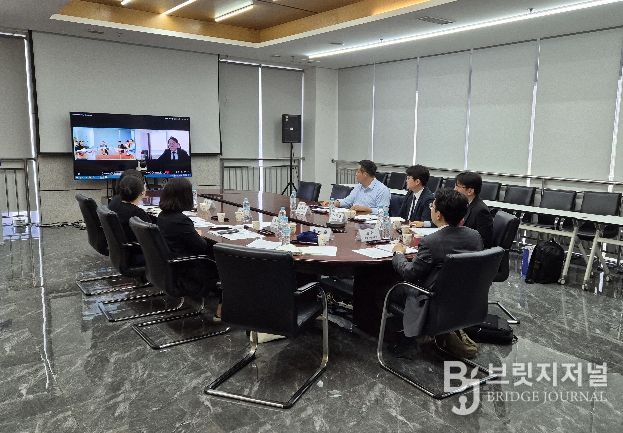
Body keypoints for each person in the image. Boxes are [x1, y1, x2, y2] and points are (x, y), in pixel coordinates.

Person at [391, 188, 483, 358]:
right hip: (465, 299)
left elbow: (409, 273)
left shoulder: (431, 242)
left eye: (432, 206)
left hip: (431, 301)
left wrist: (398, 253)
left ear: (438, 215)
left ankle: (399, 338)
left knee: (384, 286)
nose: (431, 209)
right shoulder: (475, 236)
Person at [157, 178, 221, 318]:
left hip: (171, 268)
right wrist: (197, 234)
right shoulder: (181, 221)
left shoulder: (162, 216)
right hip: (187, 270)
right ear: (184, 197)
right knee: (224, 262)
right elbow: (201, 246)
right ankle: (222, 308)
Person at [322, 160, 390, 214]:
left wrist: (367, 209)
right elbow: (347, 202)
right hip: (355, 219)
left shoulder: (382, 190)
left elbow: (383, 212)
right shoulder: (358, 187)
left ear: (365, 174)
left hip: (370, 224)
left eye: (358, 172)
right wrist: (333, 203)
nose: (356, 174)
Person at [108, 175, 154, 243]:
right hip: (135, 246)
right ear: (142, 192)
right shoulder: (138, 213)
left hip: (119, 243)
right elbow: (152, 237)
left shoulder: (115, 201)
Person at [454, 171, 494, 248]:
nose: (455, 189)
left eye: (458, 186)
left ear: (470, 191)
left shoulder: (481, 211)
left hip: (469, 250)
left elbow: (484, 241)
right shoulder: (462, 203)